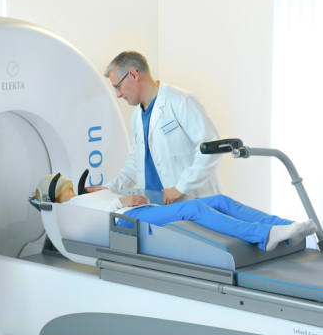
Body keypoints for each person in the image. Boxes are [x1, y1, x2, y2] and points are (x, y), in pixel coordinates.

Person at [35, 174, 316, 252]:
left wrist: (112, 192)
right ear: (55, 192)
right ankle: (264, 235)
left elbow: (108, 196)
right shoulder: (69, 207)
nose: (67, 183)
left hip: (141, 210)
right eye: (61, 183)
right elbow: (96, 218)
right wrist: (121, 199)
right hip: (126, 220)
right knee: (194, 208)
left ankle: (286, 226)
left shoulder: (87, 196)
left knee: (217, 200)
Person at [87, 52, 223, 204]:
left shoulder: (181, 101)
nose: (118, 95)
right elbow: (136, 162)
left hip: (194, 201)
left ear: (133, 74)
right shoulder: (137, 117)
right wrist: (109, 189)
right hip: (155, 206)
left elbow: (212, 147)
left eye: (118, 87)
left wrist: (182, 187)